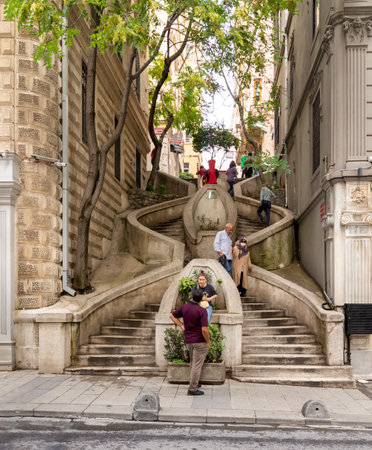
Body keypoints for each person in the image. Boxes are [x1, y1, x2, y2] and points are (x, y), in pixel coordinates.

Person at [170, 288, 210, 396]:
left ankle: (194, 382)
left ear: (191, 297)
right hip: (200, 341)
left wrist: (181, 325)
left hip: (189, 340)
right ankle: (192, 389)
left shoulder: (184, 307)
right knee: (197, 365)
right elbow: (204, 330)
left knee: (193, 363)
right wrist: (208, 341)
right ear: (201, 299)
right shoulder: (202, 311)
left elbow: (172, 315)